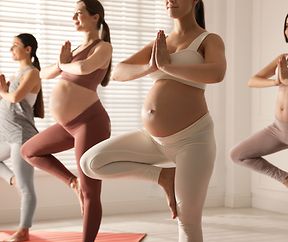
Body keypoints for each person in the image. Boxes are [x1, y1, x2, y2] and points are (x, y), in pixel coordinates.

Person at [80, 0, 226, 241]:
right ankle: (163, 176)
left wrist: (167, 66)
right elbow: (118, 71)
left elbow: (217, 73)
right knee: (90, 163)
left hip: (193, 141)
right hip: (153, 140)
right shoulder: (161, 42)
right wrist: (151, 67)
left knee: (187, 221)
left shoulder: (209, 40)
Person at [20, 0, 112, 241]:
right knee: (29, 151)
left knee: (91, 191)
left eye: (79, 13)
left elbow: (84, 68)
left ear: (96, 17)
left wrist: (64, 63)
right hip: (67, 125)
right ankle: (72, 182)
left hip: (90, 122)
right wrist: (63, 61)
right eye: (73, 14)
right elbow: (45, 73)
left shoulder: (103, 47)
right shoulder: (73, 52)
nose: (74, 18)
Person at [230, 14, 288, 187]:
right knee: (238, 154)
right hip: (278, 129)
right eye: (287, 25)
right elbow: (253, 80)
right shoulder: (284, 58)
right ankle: (285, 179)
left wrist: (286, 81)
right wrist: (276, 81)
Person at [0, 33, 44, 242]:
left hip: (21, 135)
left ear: (28, 49)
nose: (11, 49)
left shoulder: (32, 73)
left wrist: (2, 91)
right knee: (21, 182)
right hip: (7, 134)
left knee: (26, 188)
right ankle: (13, 178)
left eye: (15, 45)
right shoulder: (17, 74)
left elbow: (15, 98)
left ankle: (23, 231)